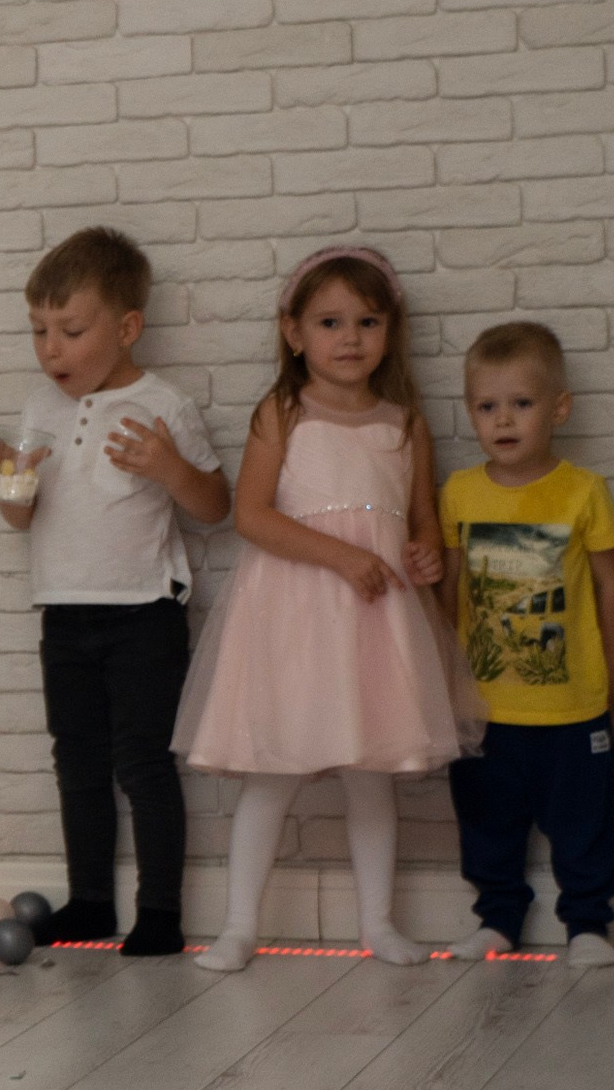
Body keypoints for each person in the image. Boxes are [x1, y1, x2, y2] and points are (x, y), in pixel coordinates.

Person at [176, 246, 466, 974]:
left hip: (377, 623)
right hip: (294, 617)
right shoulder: (282, 412)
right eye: (331, 321)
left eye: (367, 321)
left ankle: (379, 922)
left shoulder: (406, 425)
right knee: (272, 770)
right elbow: (250, 514)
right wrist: (340, 556)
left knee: (370, 771)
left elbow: (423, 520)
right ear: (294, 331)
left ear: (390, 331)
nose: (350, 337)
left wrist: (428, 553)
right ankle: (240, 924)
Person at [0, 225, 229, 955]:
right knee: (77, 758)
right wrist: (8, 482)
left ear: (127, 328)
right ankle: (91, 898)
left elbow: (216, 507)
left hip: (143, 614)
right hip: (62, 610)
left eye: (70, 329)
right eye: (39, 330)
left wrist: (168, 466)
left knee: (145, 762)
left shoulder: (163, 406)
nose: (51, 348)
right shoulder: (39, 408)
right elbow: (19, 518)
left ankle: (160, 911)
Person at [437, 320, 614, 966]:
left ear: (559, 407)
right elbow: (453, 588)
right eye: (487, 406)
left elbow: (610, 584)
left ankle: (588, 924)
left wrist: (613, 668)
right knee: (486, 816)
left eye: (520, 403)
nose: (503, 419)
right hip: (485, 706)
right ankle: (498, 919)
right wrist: (446, 670)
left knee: (587, 818)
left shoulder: (583, 491)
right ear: (470, 411)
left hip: (572, 703)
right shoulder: (460, 493)